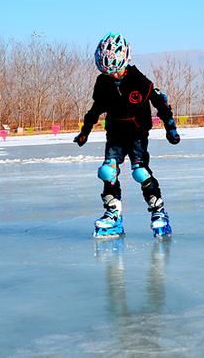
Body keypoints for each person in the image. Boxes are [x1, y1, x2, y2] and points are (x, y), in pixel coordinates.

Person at [73, 32, 180, 238]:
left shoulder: (140, 82)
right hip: (114, 133)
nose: (112, 75)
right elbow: (95, 110)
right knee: (107, 172)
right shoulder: (103, 83)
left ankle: (159, 211)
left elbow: (161, 104)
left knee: (140, 172)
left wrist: (171, 128)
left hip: (137, 135)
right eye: (107, 71)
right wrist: (84, 132)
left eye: (115, 70)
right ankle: (113, 214)